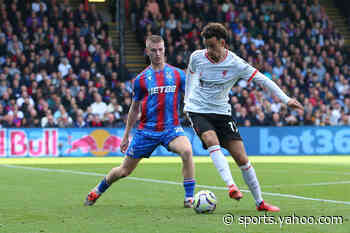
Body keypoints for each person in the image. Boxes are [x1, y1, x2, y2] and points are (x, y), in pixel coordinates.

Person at [184, 23, 304, 212]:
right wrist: (186, 103)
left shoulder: (236, 64)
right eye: (207, 46)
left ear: (223, 43)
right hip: (198, 110)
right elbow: (190, 77)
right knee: (210, 140)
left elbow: (263, 80)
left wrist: (286, 99)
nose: (209, 50)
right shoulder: (197, 57)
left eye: (213, 46)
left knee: (242, 158)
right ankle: (231, 185)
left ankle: (260, 203)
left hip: (222, 113)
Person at [84, 35, 196, 208]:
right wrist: (126, 136)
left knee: (187, 151)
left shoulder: (178, 74)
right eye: (154, 50)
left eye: (161, 50)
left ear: (165, 50)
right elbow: (134, 109)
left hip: (171, 129)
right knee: (124, 171)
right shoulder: (141, 80)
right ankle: (96, 191)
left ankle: (189, 198)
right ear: (147, 52)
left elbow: (191, 98)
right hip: (146, 132)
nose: (158, 54)